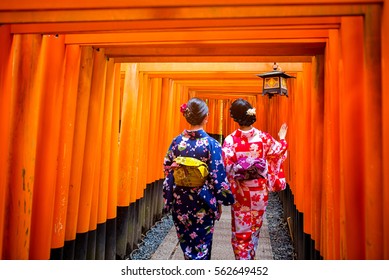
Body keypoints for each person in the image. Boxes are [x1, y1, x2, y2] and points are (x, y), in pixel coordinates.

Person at [162, 97, 235, 260]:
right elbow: (218, 175)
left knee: (186, 243)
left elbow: (167, 167)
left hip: (180, 200)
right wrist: (223, 199)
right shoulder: (212, 144)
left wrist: (170, 193)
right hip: (203, 201)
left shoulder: (177, 142)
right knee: (202, 244)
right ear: (206, 117)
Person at [221, 98, 288, 260]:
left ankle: (242, 259)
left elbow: (226, 168)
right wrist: (282, 138)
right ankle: (250, 257)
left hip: (240, 193)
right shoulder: (264, 138)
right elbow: (278, 153)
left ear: (235, 118)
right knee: (254, 229)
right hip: (259, 192)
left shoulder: (230, 141)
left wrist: (236, 174)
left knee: (240, 231)